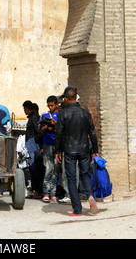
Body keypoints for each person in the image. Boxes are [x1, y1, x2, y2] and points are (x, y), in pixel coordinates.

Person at [55, 86, 99, 216]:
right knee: (85, 174)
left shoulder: (63, 113)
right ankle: (90, 195)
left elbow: (59, 133)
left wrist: (57, 150)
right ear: (75, 97)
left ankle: (77, 210)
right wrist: (95, 150)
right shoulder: (85, 113)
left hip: (69, 150)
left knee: (72, 179)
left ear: (67, 99)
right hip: (84, 149)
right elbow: (92, 132)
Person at [39, 95, 60, 203]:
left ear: (56, 105)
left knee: (56, 169)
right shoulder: (44, 115)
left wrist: (55, 125)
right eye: (49, 105)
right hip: (47, 144)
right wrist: (47, 126)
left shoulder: (61, 115)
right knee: (48, 168)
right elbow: (40, 129)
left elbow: (63, 128)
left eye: (52, 105)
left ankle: (53, 193)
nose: (50, 107)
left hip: (57, 145)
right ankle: (46, 192)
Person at [22, 100, 44, 199]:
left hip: (34, 145)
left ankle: (38, 190)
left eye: (25, 109)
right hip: (32, 145)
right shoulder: (32, 117)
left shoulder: (34, 118)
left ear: (27, 108)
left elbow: (39, 132)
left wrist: (32, 140)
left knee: (35, 167)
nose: (24, 111)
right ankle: (36, 189)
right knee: (33, 167)